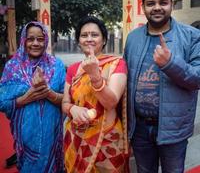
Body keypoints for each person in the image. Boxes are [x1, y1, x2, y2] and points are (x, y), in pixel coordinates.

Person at [124, 0, 200, 173]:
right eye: (151, 4)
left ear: (171, 4)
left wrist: (170, 64)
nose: (157, 8)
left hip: (173, 128)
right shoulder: (133, 38)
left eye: (163, 3)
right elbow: (125, 81)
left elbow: (197, 79)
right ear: (144, 7)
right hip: (139, 128)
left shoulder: (191, 36)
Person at [62, 16, 129, 173]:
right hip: (76, 138)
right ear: (78, 40)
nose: (89, 39)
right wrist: (73, 109)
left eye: (95, 35)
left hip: (107, 140)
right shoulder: (73, 69)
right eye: (84, 35)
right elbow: (65, 102)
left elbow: (111, 102)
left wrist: (95, 76)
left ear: (104, 39)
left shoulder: (117, 64)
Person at [0, 21, 66, 172]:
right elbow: (2, 102)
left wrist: (47, 92)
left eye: (40, 39)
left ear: (46, 41)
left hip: (53, 137)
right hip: (26, 138)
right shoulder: (13, 67)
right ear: (24, 40)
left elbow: (67, 98)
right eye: (31, 39)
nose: (35, 43)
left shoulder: (57, 65)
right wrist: (26, 98)